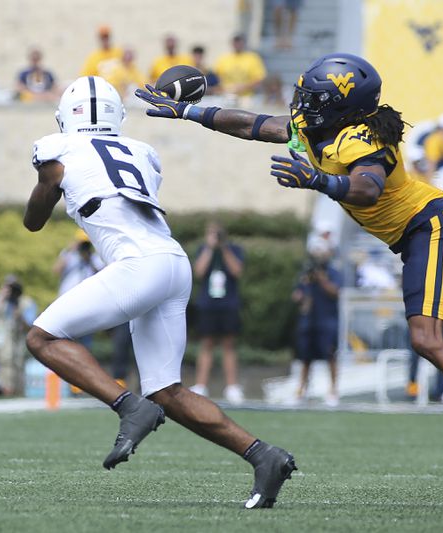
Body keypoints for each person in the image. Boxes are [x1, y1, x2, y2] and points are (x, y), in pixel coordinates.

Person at [137, 52, 443, 508]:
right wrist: (191, 112)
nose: (302, 104)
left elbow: (366, 187)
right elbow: (254, 124)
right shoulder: (317, 124)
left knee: (427, 338)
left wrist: (318, 181)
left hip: (429, 226)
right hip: (425, 229)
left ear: (345, 106)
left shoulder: (364, 137)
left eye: (314, 98)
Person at [23, 76, 296, 508]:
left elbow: (34, 220)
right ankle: (265, 456)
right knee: (166, 389)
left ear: (64, 118)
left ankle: (127, 406)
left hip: (138, 266)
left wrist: (47, 184)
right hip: (173, 263)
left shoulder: (54, 150)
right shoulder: (143, 152)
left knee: (42, 337)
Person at [189, 221, 246, 405]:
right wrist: (209, 248)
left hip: (228, 303)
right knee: (206, 344)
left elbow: (237, 271)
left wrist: (223, 248)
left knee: (229, 344)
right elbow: (198, 271)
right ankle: (201, 385)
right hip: (208, 303)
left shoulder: (234, 249)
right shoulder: (203, 249)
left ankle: (231, 387)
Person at [291, 238, 342, 406]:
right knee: (305, 358)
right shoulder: (305, 273)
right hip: (308, 321)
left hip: (327, 320)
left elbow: (335, 292)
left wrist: (321, 279)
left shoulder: (333, 272)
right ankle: (301, 390)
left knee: (330, 356)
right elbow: (297, 294)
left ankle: (333, 391)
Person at [53, 229, 104, 350]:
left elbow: (102, 275)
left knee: (85, 342)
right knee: (65, 339)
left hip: (87, 304)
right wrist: (70, 250)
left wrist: (89, 259)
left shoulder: (95, 258)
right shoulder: (69, 255)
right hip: (66, 301)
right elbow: (56, 270)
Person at [213, 33, 266, 99]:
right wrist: (226, 88)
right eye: (236, 42)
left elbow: (259, 79)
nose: (237, 45)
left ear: (244, 43)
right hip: (227, 96)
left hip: (247, 96)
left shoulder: (252, 58)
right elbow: (216, 77)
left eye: (239, 42)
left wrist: (244, 87)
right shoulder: (224, 59)